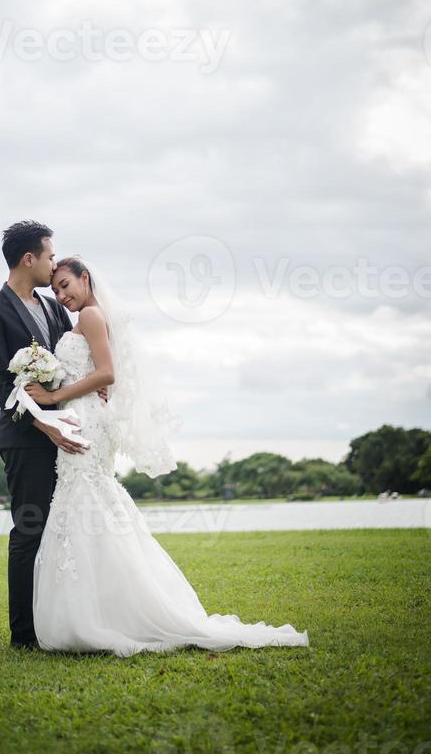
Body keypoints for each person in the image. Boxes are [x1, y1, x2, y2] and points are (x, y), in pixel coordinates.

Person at [26, 255, 311, 657]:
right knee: (84, 503)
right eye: (55, 290)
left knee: (84, 499)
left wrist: (54, 396)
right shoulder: (85, 317)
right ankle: (102, 610)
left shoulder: (91, 316)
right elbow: (94, 372)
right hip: (83, 417)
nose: (61, 295)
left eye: (66, 285)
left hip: (87, 423)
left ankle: (100, 616)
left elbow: (107, 373)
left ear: (85, 278)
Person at [0, 221, 105, 650]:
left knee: (63, 530)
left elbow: (71, 354)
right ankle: (25, 636)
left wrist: (92, 380)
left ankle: (59, 623)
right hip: (25, 440)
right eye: (50, 256)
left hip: (66, 438)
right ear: (29, 258)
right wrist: (41, 423)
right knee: (30, 531)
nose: (54, 264)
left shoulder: (54, 307)